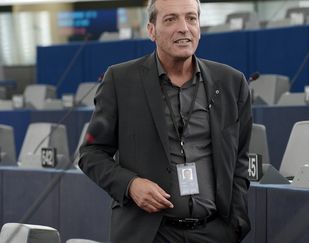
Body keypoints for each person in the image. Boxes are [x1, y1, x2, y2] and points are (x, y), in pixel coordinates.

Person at [78, 0, 252, 242]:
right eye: (171, 19)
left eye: (191, 18)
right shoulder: (120, 81)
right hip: (150, 234)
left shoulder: (232, 83)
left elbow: (240, 161)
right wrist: (130, 185)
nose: (184, 28)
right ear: (151, 30)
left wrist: (235, 225)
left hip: (215, 232)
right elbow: (91, 153)